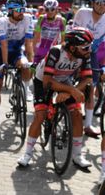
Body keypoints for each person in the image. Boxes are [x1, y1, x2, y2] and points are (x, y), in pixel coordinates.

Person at [17, 27, 94, 169]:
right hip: (44, 81)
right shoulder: (56, 52)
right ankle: (27, 154)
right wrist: (71, 90)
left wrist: (70, 92)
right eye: (85, 48)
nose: (89, 50)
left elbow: (88, 80)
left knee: (77, 114)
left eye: (90, 47)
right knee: (40, 116)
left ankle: (77, 156)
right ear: (72, 47)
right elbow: (47, 82)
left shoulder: (84, 56)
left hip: (64, 81)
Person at [0, 0, 34, 130]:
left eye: (23, 9)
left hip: (16, 52)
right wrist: (4, 64)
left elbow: (28, 43)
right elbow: (3, 44)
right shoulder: (2, 21)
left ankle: (26, 89)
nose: (21, 12)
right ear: (10, 10)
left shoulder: (27, 18)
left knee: (25, 66)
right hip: (1, 53)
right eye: (18, 10)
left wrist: (31, 61)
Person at [73, 0, 105, 137]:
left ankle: (88, 125)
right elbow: (72, 32)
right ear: (92, 2)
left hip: (91, 52)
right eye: (99, 3)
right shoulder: (82, 13)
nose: (102, 6)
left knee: (90, 86)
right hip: (75, 49)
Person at [33, 0, 66, 64]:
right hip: (40, 47)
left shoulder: (62, 20)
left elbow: (63, 40)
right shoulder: (41, 18)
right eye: (47, 9)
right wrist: (33, 49)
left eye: (52, 9)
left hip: (52, 49)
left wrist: (60, 52)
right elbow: (36, 35)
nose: (50, 12)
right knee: (33, 67)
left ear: (56, 10)